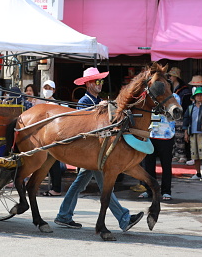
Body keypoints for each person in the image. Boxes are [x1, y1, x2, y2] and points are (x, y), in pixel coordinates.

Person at [55, 67, 144, 232]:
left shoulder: (97, 100)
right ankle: (124, 218)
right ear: (88, 84)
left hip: (97, 150)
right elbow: (83, 124)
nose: (100, 84)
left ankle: (64, 215)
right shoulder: (84, 101)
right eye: (97, 81)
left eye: (101, 81)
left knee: (80, 184)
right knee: (104, 185)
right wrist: (99, 109)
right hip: (90, 149)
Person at [139, 93, 181, 201]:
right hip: (150, 134)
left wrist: (162, 108)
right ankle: (149, 189)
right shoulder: (150, 96)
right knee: (148, 165)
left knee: (166, 165)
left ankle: (166, 191)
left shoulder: (174, 97)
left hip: (166, 135)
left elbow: (176, 115)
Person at [40, 80, 63, 197]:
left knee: (54, 164)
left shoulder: (57, 105)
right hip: (42, 137)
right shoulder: (40, 103)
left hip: (53, 138)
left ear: (54, 90)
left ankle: (56, 188)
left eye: (49, 88)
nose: (47, 90)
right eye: (45, 87)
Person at [168, 67, 190, 163]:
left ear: (176, 77)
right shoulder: (170, 87)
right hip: (172, 114)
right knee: (173, 136)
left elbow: (185, 105)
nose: (170, 77)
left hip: (180, 115)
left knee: (180, 135)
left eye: (171, 75)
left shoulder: (183, 90)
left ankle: (182, 155)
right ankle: (176, 154)